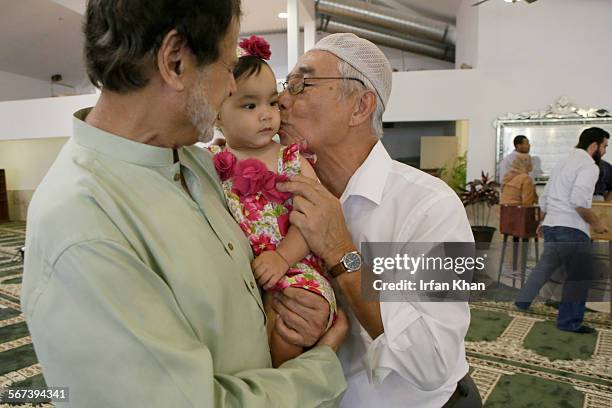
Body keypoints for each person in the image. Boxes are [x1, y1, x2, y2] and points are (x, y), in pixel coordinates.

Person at [20, 1, 348, 406]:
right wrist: (320, 365)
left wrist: (288, 311)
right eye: (229, 66)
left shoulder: (195, 162)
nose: (232, 87)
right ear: (175, 62)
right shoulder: (83, 226)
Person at [277, 33, 482, 408]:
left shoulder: (431, 206)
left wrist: (342, 252)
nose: (281, 100)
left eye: (301, 84)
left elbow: (433, 359)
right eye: (284, 84)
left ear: (360, 106)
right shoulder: (277, 195)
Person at [209, 36, 337, 367]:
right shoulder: (210, 162)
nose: (267, 115)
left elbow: (314, 222)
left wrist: (282, 257)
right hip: (238, 276)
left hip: (293, 266)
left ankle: (280, 377)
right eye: (250, 106)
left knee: (297, 317)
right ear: (216, 114)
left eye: (272, 103)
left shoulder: (292, 162)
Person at [516, 127, 610, 333]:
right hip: (572, 227)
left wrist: (544, 222)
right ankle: (569, 322)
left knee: (545, 266)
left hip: (553, 224)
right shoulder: (589, 166)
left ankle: (522, 301)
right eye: (604, 146)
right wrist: (597, 224)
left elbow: (546, 196)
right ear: (593, 146)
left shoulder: (563, 161)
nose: (604, 152)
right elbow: (578, 200)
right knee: (580, 275)